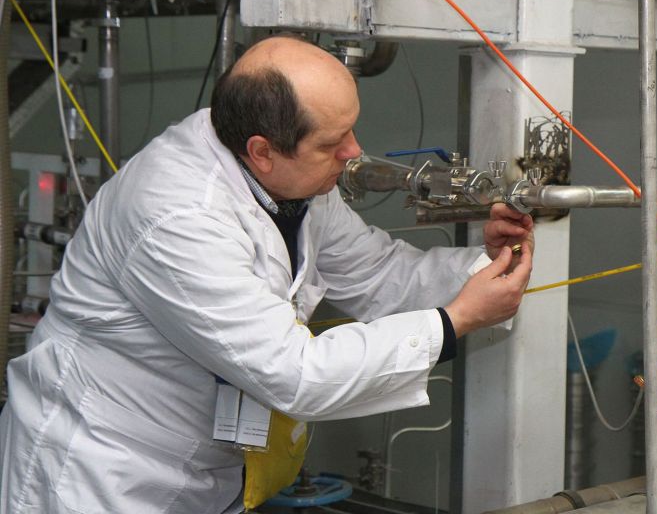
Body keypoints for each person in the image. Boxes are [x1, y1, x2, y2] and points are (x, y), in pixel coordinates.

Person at [0, 35, 534, 514]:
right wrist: (455, 321)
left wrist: (485, 266)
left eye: (350, 132)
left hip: (204, 469)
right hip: (103, 473)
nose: (353, 155)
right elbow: (293, 375)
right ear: (262, 151)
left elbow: (378, 274)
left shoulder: (291, 180)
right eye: (333, 143)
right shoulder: (178, 215)